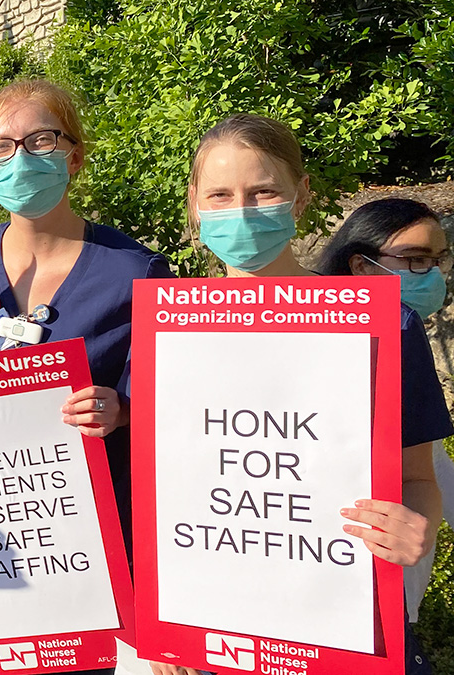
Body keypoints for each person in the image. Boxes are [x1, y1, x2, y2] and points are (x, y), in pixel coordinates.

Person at [0, 78, 174, 675]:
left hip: (87, 538)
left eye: (41, 139)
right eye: (0, 147)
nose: (22, 158)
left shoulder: (138, 270)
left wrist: (121, 408)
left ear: (74, 155)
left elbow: (166, 399)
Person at [186, 114, 444, 675]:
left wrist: (414, 532)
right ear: (195, 205)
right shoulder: (167, 334)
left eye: (265, 191)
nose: (244, 211)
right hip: (212, 627)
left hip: (340, 623)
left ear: (300, 197)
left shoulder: (382, 324)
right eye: (221, 195)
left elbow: (420, 482)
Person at [313, 197, 454, 623]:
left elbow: (428, 471)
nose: (429, 274)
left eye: (437, 260)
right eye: (413, 260)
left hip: (380, 594)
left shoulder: (406, 337)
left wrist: (424, 520)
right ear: (361, 266)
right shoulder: (315, 345)